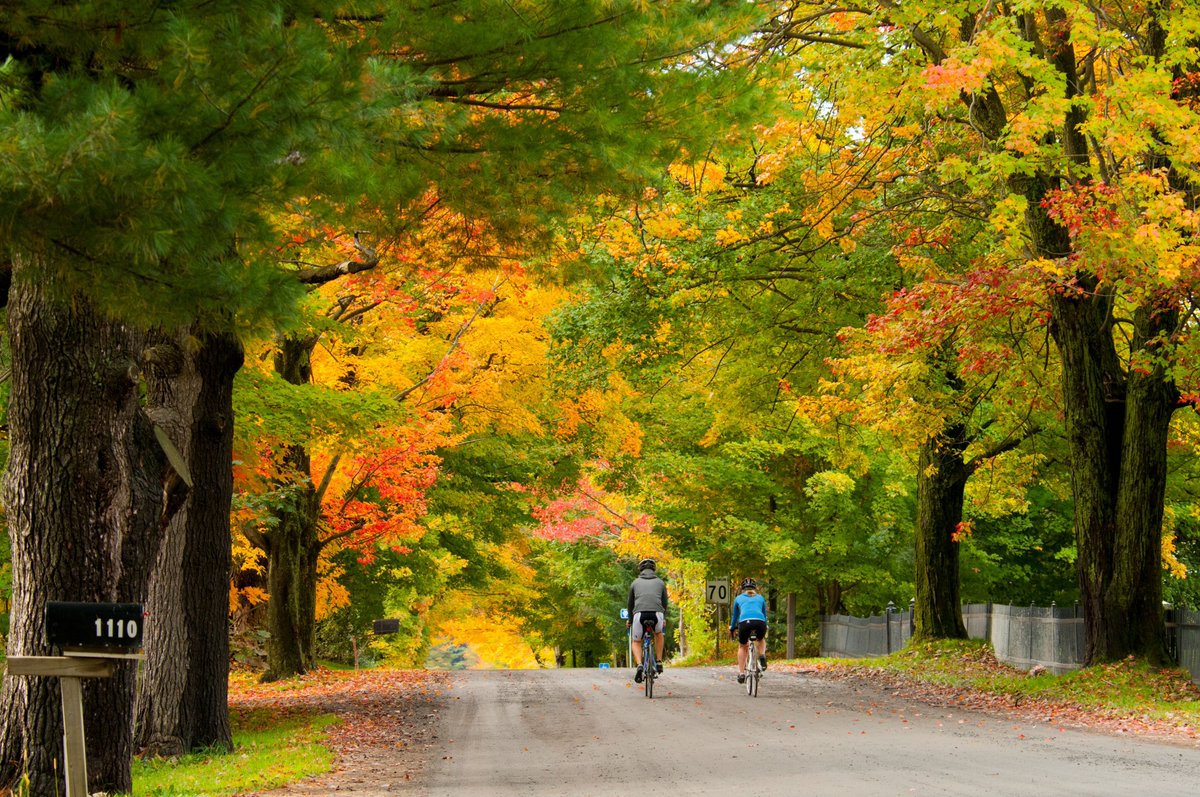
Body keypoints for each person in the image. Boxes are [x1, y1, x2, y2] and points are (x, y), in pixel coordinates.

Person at [627, 558, 668, 683]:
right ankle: (659, 661)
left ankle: (639, 664)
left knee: (636, 641)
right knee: (659, 634)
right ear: (654, 570)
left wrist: (630, 620)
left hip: (639, 615)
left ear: (641, 570)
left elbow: (630, 604)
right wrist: (663, 617)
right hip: (657, 614)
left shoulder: (635, 583)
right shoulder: (660, 583)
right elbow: (665, 603)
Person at [729, 577, 768, 683]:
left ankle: (741, 674)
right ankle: (762, 655)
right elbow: (764, 615)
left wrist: (732, 628)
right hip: (760, 622)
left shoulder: (738, 599)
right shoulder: (760, 598)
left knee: (742, 646)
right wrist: (766, 625)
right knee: (761, 639)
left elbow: (735, 617)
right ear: (755, 588)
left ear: (743, 589)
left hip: (745, 623)